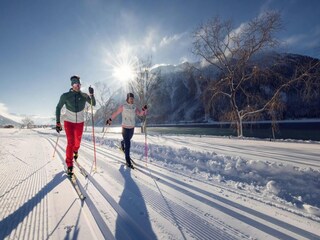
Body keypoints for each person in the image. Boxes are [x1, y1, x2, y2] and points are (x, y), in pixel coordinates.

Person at [55, 75, 96, 177]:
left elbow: (93, 103)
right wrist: (58, 122)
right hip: (69, 122)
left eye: (78, 84)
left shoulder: (83, 95)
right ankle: (69, 165)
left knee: (77, 143)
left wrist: (91, 94)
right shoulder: (65, 96)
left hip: (80, 123)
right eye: (75, 84)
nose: (77, 86)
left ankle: (76, 151)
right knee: (71, 142)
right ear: (72, 85)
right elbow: (58, 107)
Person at [106, 93, 147, 169]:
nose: (131, 99)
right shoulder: (123, 106)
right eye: (130, 98)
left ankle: (122, 143)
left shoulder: (135, 107)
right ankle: (128, 161)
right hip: (124, 128)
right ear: (127, 99)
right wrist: (110, 119)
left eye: (132, 98)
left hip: (132, 127)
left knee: (128, 140)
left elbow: (140, 114)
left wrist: (144, 110)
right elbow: (116, 113)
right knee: (128, 144)